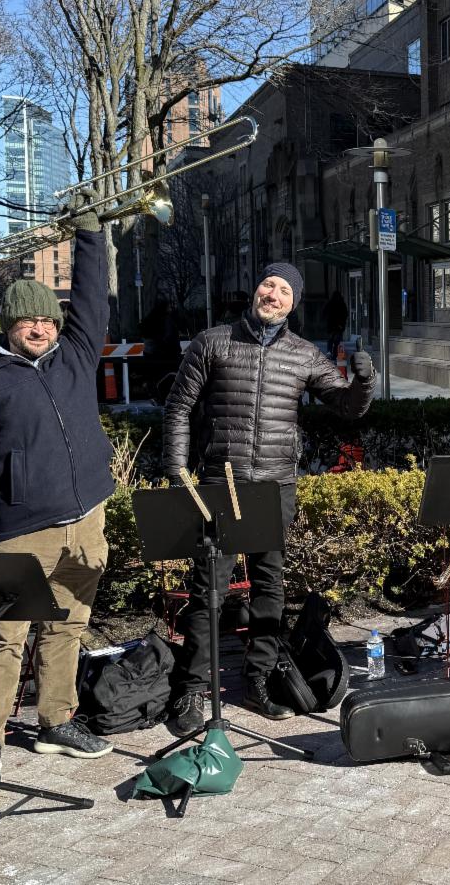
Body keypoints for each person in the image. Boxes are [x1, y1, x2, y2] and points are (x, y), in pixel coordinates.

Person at [0, 198, 115, 794]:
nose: (41, 328)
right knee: (2, 640)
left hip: (87, 516)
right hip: (19, 529)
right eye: (28, 321)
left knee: (68, 622)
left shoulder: (76, 356)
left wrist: (90, 234)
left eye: (48, 320)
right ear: (8, 323)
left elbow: (92, 300)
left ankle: (56, 720)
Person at [162, 262, 375, 735]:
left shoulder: (304, 355)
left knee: (269, 588)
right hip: (220, 481)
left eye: (284, 291)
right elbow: (178, 408)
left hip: (275, 485)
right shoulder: (213, 341)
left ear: (294, 303)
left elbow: (346, 409)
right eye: (268, 285)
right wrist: (179, 474)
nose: (273, 295)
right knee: (208, 589)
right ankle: (193, 687)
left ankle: (258, 678)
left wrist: (363, 382)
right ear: (255, 290)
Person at [325, 289, 349, 359]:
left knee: (330, 340)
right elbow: (345, 314)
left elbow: (325, 312)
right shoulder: (342, 303)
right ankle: (334, 354)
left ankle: (329, 351)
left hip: (331, 325)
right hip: (339, 325)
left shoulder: (330, 303)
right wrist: (342, 324)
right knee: (336, 341)